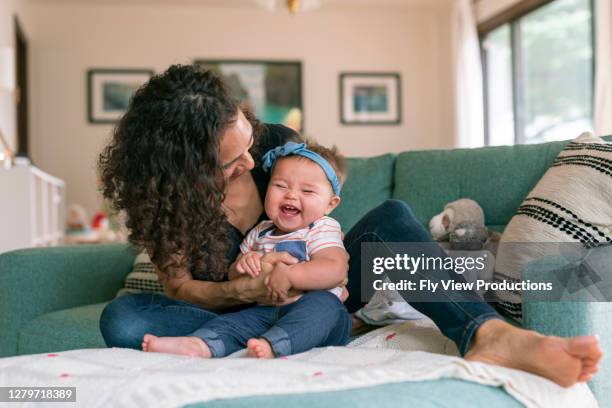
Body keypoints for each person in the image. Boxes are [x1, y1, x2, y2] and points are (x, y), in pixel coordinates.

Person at [99, 64, 602, 388]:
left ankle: (486, 334)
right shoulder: (165, 199)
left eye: (248, 142)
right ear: (187, 170)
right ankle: (311, 330)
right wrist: (245, 287)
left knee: (392, 221)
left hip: (326, 288)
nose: (252, 164)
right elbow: (181, 286)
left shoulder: (277, 144)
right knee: (123, 320)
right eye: (231, 162)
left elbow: (328, 235)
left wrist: (305, 276)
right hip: (245, 312)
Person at [141, 141, 350, 358]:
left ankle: (276, 344)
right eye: (280, 186)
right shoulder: (260, 231)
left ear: (330, 205)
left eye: (307, 191)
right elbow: (233, 276)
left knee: (324, 306)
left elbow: (335, 269)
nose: (291, 195)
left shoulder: (322, 227)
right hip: (264, 310)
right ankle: (200, 345)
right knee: (233, 322)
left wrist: (289, 275)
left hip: (314, 310)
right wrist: (243, 265)